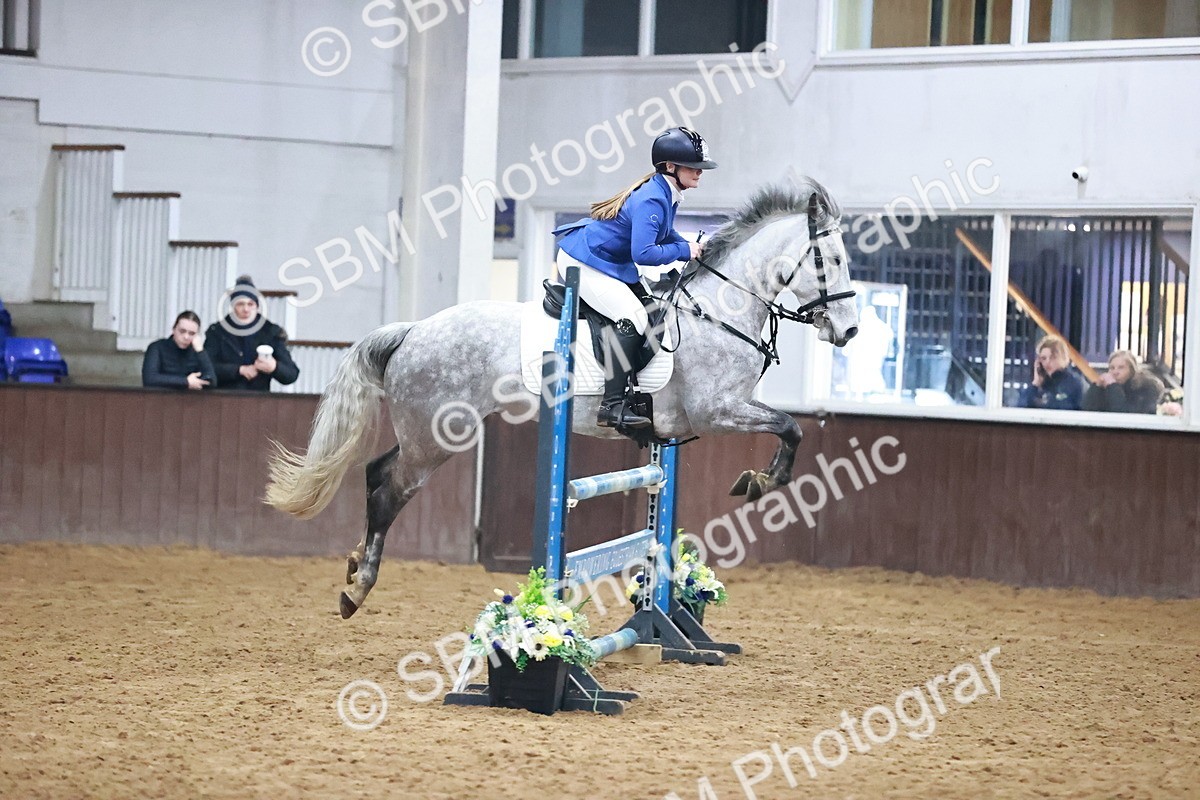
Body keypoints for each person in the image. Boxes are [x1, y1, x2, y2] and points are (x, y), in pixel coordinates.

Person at [551, 126, 715, 429]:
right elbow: (644, 253)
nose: (699, 172)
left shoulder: (666, 192)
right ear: (671, 167)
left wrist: (690, 246)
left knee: (652, 310)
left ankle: (633, 389)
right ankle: (611, 406)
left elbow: (665, 233)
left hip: (608, 261)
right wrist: (684, 250)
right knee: (633, 318)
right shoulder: (653, 198)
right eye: (693, 166)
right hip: (585, 261)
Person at [204, 275, 299, 392]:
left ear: (257, 306)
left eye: (250, 304)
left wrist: (274, 367)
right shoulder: (217, 332)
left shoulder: (271, 332)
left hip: (259, 398)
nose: (246, 309)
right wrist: (239, 370)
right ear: (233, 306)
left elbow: (292, 374)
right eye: (240, 304)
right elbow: (206, 368)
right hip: (224, 396)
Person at [142, 311, 216, 390]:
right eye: (182, 331)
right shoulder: (157, 347)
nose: (186, 337)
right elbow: (149, 379)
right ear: (173, 329)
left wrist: (201, 352)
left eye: (191, 333)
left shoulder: (197, 351)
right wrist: (185, 382)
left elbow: (212, 381)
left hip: (190, 397)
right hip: (161, 396)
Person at [1082, 349, 1164, 414]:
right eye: (1112, 368)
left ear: (1131, 370)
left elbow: (1122, 412)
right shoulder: (1106, 387)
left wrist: (1113, 387)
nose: (1115, 372)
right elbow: (1086, 410)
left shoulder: (1145, 388)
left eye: (1121, 368)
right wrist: (1096, 387)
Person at [1017, 335, 1084, 410]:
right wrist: (1035, 384)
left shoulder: (1074, 383)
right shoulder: (1039, 384)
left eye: (1053, 357)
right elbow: (1021, 408)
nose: (1047, 362)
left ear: (1063, 358)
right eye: (1043, 358)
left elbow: (1063, 407)